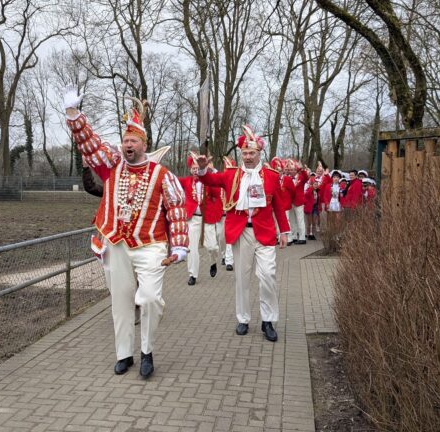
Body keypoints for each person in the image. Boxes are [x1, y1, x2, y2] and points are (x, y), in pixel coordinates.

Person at [63, 86, 188, 378]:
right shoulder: (113, 164)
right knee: (120, 301)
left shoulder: (162, 174)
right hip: (116, 242)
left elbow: (177, 209)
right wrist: (74, 115)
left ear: (144, 144)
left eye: (133, 140)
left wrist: (179, 245)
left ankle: (147, 350)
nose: (127, 144)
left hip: (151, 245)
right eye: (125, 140)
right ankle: (125, 355)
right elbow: (90, 146)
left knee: (150, 299)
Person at [194, 125, 290, 342]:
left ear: (259, 153)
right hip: (241, 233)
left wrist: (284, 231)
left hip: (264, 233)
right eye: (244, 153)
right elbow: (210, 180)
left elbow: (279, 206)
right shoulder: (230, 175)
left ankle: (268, 320)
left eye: (252, 153)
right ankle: (243, 318)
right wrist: (202, 169)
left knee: (267, 276)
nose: (247, 157)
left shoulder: (272, 177)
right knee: (242, 278)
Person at [179, 156, 222, 285]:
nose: (196, 170)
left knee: (213, 247)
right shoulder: (186, 181)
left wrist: (211, 176)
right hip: (193, 219)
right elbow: (172, 180)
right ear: (190, 170)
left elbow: (217, 194)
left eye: (197, 168)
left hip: (207, 219)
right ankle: (193, 274)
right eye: (193, 168)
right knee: (192, 248)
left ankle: (213, 261)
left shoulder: (208, 180)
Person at [287, 159, 308, 244]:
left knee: (300, 220)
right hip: (290, 202)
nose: (292, 171)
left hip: (299, 202)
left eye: (294, 170)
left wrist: (301, 169)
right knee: (292, 220)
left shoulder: (301, 177)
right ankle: (294, 236)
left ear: (296, 170)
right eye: (290, 170)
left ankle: (302, 238)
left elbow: (306, 177)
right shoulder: (287, 178)